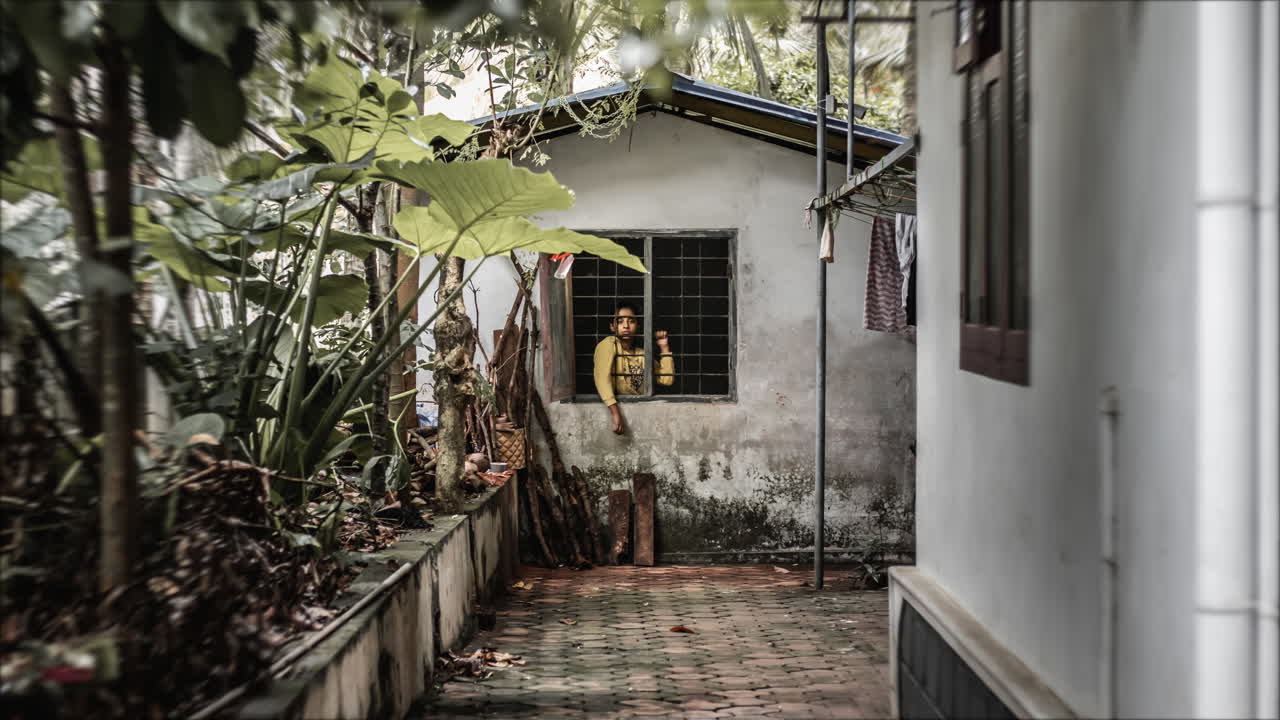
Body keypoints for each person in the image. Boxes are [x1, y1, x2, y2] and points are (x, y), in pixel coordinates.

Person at [592, 302, 674, 434]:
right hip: (619, 411)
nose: (626, 326)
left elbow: (666, 380)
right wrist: (615, 413)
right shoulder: (609, 344)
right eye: (620, 321)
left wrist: (664, 347)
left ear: (638, 326)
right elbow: (602, 378)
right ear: (612, 326)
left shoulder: (642, 354)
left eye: (631, 321)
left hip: (642, 417)